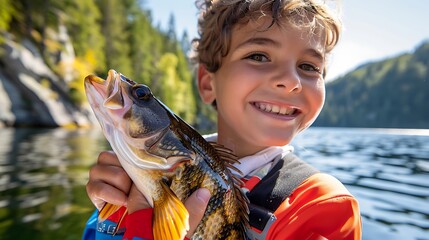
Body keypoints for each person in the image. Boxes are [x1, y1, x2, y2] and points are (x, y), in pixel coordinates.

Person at [83, 0, 362, 239]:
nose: (291, 81)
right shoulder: (138, 175)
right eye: (259, 56)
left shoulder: (321, 205)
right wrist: (110, 219)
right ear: (207, 84)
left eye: (309, 67)